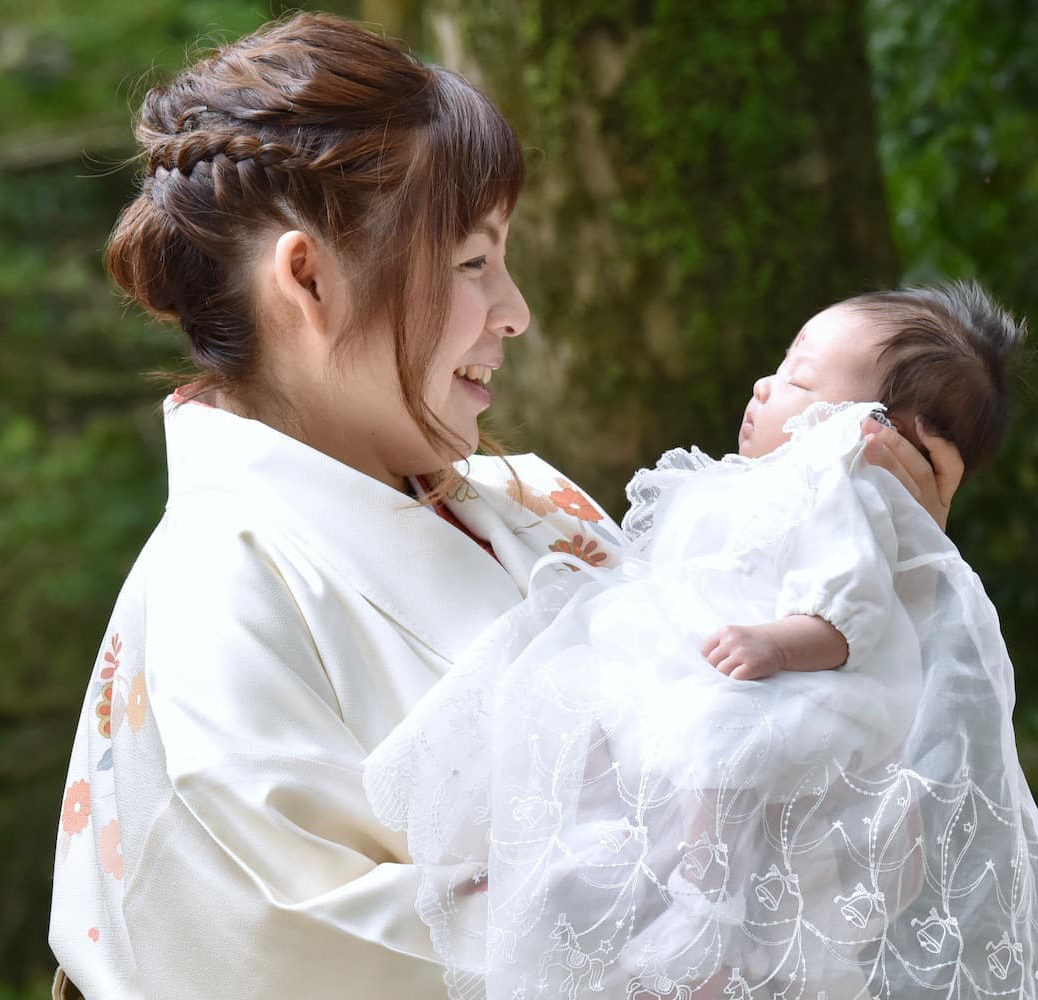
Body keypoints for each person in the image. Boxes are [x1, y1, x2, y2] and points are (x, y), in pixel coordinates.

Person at [47, 15, 960, 999]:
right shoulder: (214, 588)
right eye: (472, 264)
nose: (515, 311)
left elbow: (769, 777)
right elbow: (293, 953)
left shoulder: (534, 504)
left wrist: (867, 555)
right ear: (308, 279)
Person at [367, 284, 1038, 999]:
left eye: (799, 380)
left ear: (868, 433)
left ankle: (705, 906)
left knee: (716, 751)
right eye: (782, 367)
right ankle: (549, 855)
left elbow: (846, 602)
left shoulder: (832, 494)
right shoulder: (740, 492)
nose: (764, 385)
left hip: (775, 688)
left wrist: (823, 618)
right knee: (578, 706)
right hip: (697, 682)